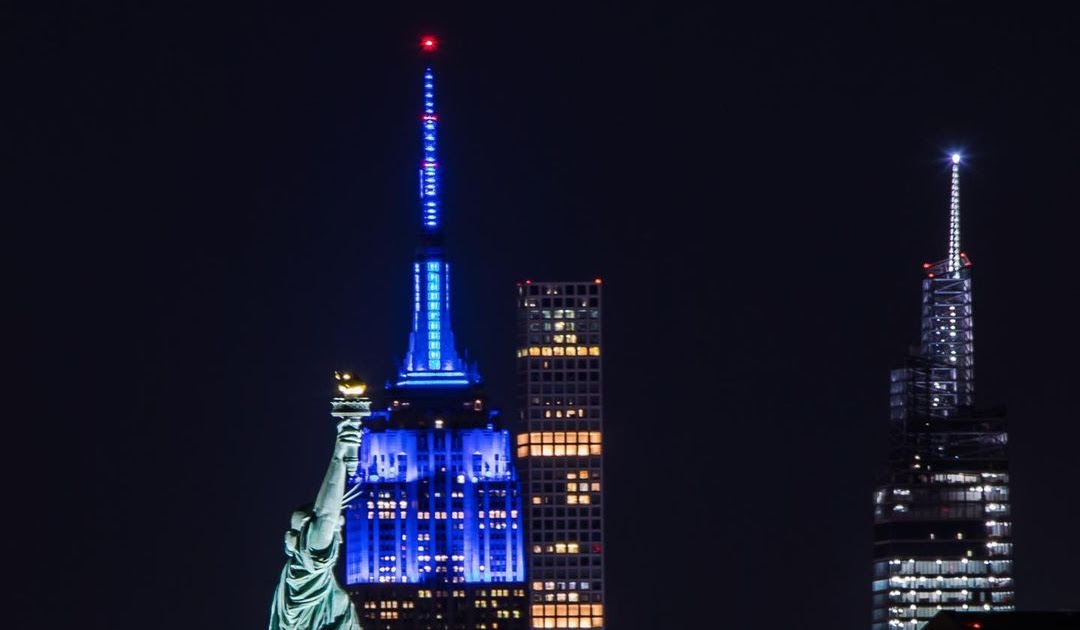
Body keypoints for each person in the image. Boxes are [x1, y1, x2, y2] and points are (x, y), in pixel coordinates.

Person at [269, 419, 361, 630]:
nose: (336, 536)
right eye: (334, 530)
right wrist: (339, 458)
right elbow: (325, 516)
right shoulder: (306, 573)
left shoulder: (310, 582)